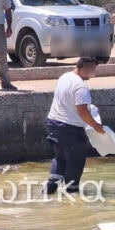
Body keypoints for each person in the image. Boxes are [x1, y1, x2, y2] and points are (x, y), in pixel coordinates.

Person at [44, 57, 105, 195]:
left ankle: (49, 190)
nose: (94, 72)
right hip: (69, 129)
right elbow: (82, 111)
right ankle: (71, 193)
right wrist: (96, 126)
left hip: (53, 124)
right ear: (85, 67)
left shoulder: (65, 77)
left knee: (60, 158)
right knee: (76, 161)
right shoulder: (80, 86)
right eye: (93, 69)